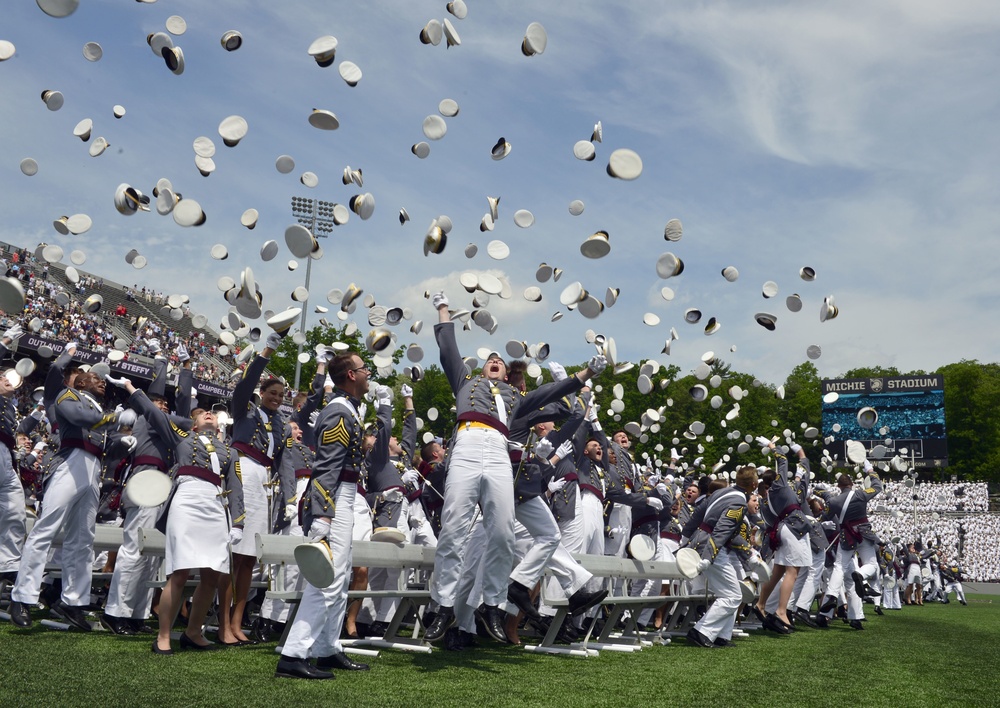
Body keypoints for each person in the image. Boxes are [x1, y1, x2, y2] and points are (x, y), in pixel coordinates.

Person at [424, 291, 606, 642]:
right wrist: (443, 308)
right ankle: (442, 604)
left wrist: (584, 374)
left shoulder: (516, 398)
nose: (494, 360)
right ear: (481, 368)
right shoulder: (466, 382)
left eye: (499, 361)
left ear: (506, 374)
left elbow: (550, 395)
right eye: (489, 359)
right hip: (468, 439)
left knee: (504, 532)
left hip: (497, 449)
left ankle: (492, 604)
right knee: (454, 526)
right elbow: (447, 347)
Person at [8, 371, 136, 630]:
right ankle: (22, 596)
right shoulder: (69, 395)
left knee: (83, 538)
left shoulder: (99, 408)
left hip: (92, 468)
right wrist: (114, 419)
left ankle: (73, 601)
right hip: (70, 462)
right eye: (94, 377)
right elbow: (80, 418)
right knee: (46, 529)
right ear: (80, 382)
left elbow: (106, 444)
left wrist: (122, 442)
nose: (101, 381)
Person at [275, 351, 373, 680]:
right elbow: (326, 468)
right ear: (350, 376)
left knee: (340, 578)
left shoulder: (350, 410)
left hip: (344, 495)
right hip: (335, 498)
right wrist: (323, 515)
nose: (369, 373)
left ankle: (326, 648)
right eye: (364, 369)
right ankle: (293, 654)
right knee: (326, 579)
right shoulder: (340, 412)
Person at [145, 362, 245, 655]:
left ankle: (193, 632)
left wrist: (238, 522)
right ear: (193, 422)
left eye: (211, 413)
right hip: (188, 499)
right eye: (202, 414)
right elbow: (155, 413)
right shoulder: (183, 437)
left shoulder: (230, 450)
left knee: (212, 574)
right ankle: (163, 635)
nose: (209, 414)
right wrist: (133, 391)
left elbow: (235, 487)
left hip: (215, 505)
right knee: (179, 571)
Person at [228, 332, 286, 642]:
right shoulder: (244, 409)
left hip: (264, 482)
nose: (276, 399)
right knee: (235, 552)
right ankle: (225, 620)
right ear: (261, 393)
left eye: (280, 396)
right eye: (272, 393)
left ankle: (238, 621)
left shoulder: (279, 423)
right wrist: (267, 352)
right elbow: (246, 383)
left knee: (250, 555)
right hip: (243, 471)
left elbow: (281, 460)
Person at [684, 465, 759, 649]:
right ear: (754, 485)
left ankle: (720, 636)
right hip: (712, 548)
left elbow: (697, 517)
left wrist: (685, 539)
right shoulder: (739, 503)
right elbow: (722, 529)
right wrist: (709, 557)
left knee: (730, 592)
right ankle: (701, 632)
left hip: (703, 542)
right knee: (733, 596)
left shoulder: (721, 492)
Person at [0, 324, 27, 583]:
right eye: (4, 378)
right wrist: (6, 341)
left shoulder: (11, 406)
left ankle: (7, 566)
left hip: (6, 457)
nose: (10, 381)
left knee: (16, 509)